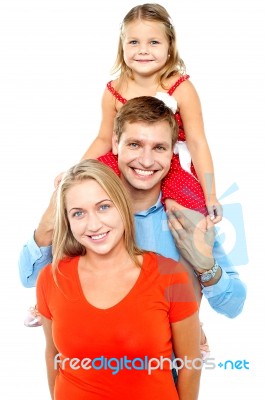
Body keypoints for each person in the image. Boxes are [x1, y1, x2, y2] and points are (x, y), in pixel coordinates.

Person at [19, 97, 246, 349]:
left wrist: (207, 267)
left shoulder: (187, 217)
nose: (146, 161)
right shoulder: (92, 213)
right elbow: (29, 277)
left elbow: (235, 306)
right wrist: (48, 222)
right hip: (90, 365)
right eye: (135, 144)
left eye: (159, 147)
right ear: (116, 144)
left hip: (161, 370)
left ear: (173, 151)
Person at [37, 159, 201, 399]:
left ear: (122, 206)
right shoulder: (51, 278)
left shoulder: (171, 276)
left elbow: (190, 365)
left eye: (104, 207)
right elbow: (53, 357)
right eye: (78, 213)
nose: (93, 225)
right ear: (68, 221)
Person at [78, 3, 222, 222]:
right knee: (91, 185)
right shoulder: (114, 91)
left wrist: (211, 195)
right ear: (122, 45)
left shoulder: (181, 87)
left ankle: (187, 251)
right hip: (129, 159)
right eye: (134, 42)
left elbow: (197, 142)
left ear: (169, 46)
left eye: (154, 42)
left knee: (190, 211)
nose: (143, 50)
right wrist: (77, 172)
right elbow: (104, 138)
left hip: (170, 163)